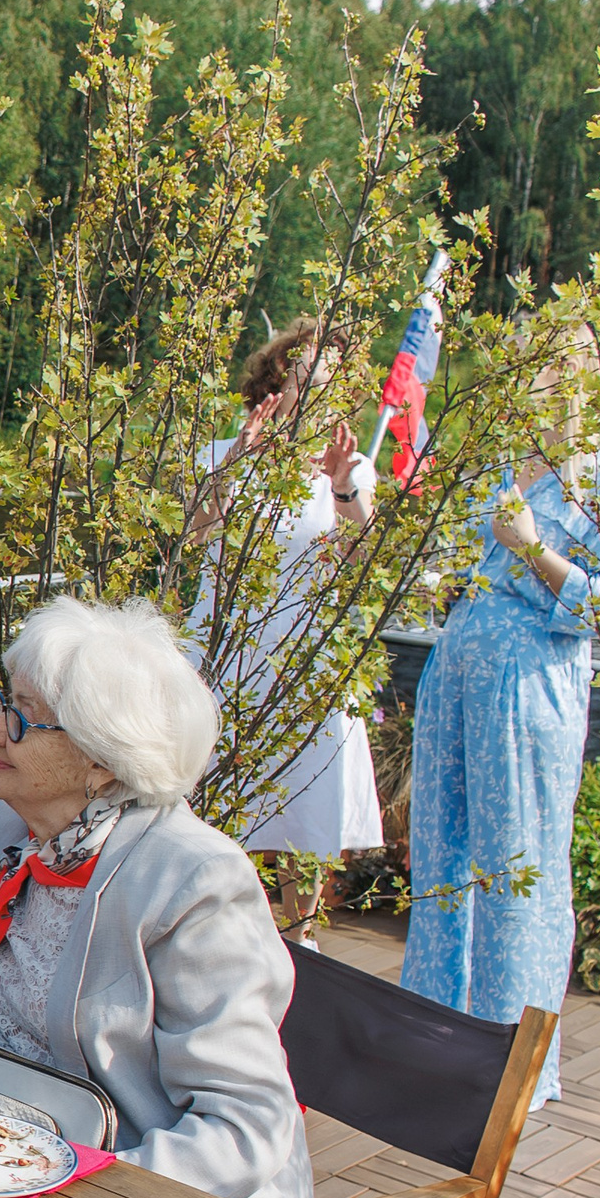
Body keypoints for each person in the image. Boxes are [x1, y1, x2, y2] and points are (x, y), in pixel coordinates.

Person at [0, 595, 310, 1198]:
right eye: (4, 706)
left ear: (100, 757)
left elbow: (245, 1127)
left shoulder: (194, 880)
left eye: (22, 718)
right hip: (15, 1165)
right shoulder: (12, 832)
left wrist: (79, 1191)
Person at [403, 329, 600, 1103]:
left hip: (526, 693)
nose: (520, 381)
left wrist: (535, 548)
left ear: (572, 379)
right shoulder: (503, 464)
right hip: (455, 677)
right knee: (441, 860)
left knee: (515, 871)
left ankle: (504, 1068)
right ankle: (432, 1045)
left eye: (536, 368)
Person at [184, 317, 383, 942]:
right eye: (309, 373)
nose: (320, 388)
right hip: (226, 651)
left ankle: (302, 941)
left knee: (308, 809)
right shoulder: (223, 452)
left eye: (334, 382)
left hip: (305, 658)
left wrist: (342, 486)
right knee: (211, 798)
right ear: (279, 378)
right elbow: (193, 536)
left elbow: (363, 557)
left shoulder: (352, 468)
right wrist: (234, 464)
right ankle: (208, 933)